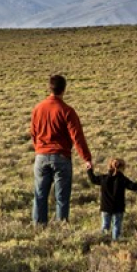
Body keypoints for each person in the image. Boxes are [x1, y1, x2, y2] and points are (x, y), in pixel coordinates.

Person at [30, 74, 94, 225]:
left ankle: (38, 226)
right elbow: (77, 137)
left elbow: (33, 132)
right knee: (62, 197)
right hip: (61, 157)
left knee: (39, 195)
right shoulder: (67, 110)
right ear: (64, 89)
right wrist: (86, 158)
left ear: (50, 87)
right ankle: (61, 227)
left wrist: (39, 148)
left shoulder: (38, 108)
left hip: (41, 156)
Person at [86, 157, 137, 240]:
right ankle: (116, 244)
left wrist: (89, 169)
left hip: (105, 208)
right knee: (116, 227)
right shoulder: (122, 179)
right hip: (118, 208)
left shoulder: (103, 178)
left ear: (109, 166)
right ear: (122, 167)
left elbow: (93, 179)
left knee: (105, 227)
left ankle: (103, 243)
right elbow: (134, 186)